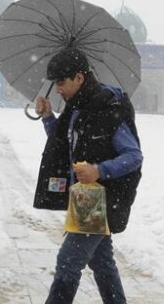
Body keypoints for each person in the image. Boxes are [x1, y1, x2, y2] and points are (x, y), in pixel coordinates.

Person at [33, 48, 142, 304]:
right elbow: (64, 144)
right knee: (102, 263)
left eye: (62, 82)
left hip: (99, 199)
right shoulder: (76, 110)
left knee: (68, 261)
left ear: (79, 78)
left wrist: (98, 170)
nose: (58, 89)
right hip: (84, 199)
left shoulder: (108, 108)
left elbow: (134, 156)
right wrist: (48, 117)